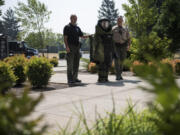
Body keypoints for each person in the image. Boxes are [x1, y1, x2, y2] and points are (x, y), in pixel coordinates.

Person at [63, 14, 89, 85]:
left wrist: (88, 36)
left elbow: (81, 36)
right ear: (70, 19)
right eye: (74, 18)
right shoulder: (67, 27)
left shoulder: (77, 28)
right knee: (70, 64)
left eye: (76, 18)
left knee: (76, 64)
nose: (75, 20)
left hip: (77, 47)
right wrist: (67, 47)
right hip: (70, 47)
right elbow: (65, 38)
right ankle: (70, 79)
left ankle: (75, 78)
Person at [90, 18, 113, 83]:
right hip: (100, 52)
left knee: (107, 65)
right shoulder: (97, 34)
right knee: (101, 66)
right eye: (103, 23)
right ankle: (101, 78)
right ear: (100, 24)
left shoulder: (110, 33)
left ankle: (106, 78)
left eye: (106, 23)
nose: (105, 25)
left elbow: (112, 43)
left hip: (108, 52)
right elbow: (95, 44)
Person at [112, 16, 131, 80]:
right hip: (116, 46)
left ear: (122, 21)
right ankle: (117, 75)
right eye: (118, 20)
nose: (119, 21)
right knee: (117, 61)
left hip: (123, 46)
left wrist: (128, 45)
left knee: (122, 61)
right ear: (117, 21)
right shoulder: (113, 28)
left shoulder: (125, 29)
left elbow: (128, 38)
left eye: (120, 20)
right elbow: (110, 38)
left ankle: (120, 74)